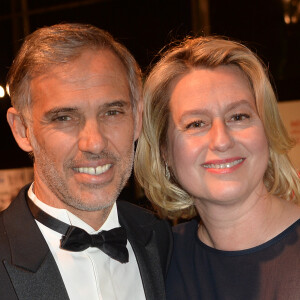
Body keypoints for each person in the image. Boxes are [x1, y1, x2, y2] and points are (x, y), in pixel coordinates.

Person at [0, 23, 172, 300]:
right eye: (64, 118)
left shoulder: (163, 241)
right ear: (22, 130)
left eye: (112, 112)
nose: (95, 143)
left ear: (138, 118)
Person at [135, 36, 300, 299]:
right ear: (164, 150)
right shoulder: (155, 263)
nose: (222, 140)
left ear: (266, 129)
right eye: (196, 124)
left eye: (239, 117)